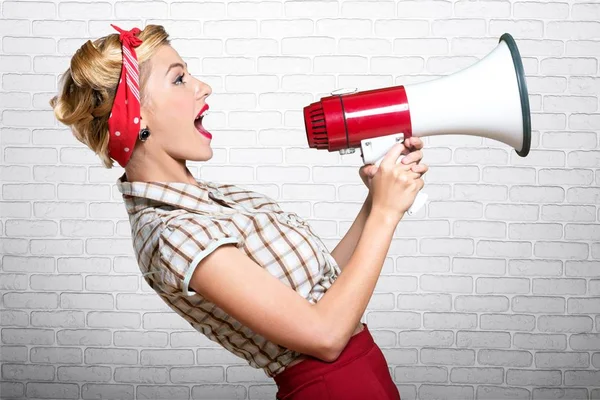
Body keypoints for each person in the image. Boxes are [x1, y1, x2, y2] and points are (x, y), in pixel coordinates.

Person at [49, 24, 428, 400]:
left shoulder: (219, 198)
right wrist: (385, 214)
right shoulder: (174, 233)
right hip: (329, 389)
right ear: (137, 115)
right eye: (179, 79)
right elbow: (325, 336)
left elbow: (319, 287)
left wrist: (375, 198)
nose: (203, 86)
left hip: (365, 371)